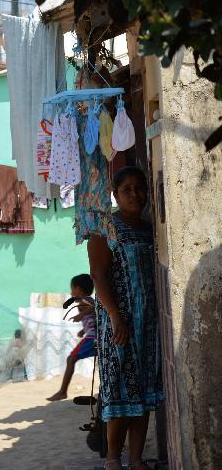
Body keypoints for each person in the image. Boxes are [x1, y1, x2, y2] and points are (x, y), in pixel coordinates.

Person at [87, 167, 163, 470]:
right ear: (116, 194)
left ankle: (136, 458)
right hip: (117, 326)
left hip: (148, 325)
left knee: (143, 391)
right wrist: (117, 318)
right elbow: (98, 277)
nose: (135, 194)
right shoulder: (106, 230)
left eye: (139, 188)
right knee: (118, 391)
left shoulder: (149, 229)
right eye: (127, 189)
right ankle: (113, 460)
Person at [47, 274, 96, 402]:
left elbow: (95, 308)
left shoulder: (86, 301)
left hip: (92, 338)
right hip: (93, 336)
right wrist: (83, 330)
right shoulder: (86, 300)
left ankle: (63, 391)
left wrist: (82, 315)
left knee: (71, 358)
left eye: (72, 288)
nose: (71, 292)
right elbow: (94, 319)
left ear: (79, 289)